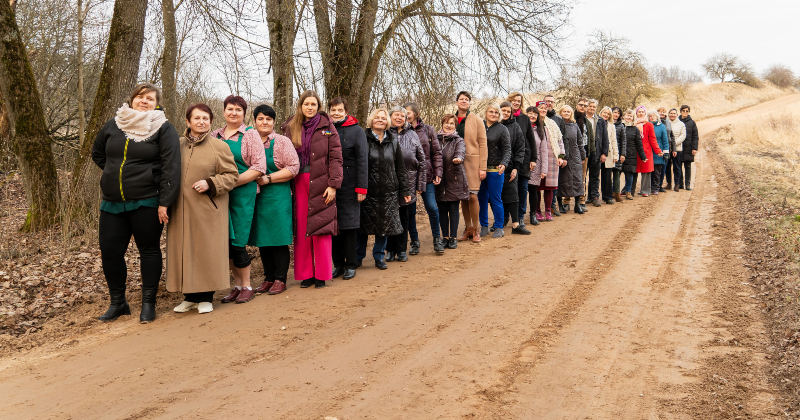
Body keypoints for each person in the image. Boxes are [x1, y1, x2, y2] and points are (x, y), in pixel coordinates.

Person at [92, 83, 180, 323]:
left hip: (147, 201)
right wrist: (113, 174)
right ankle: (118, 303)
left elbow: (171, 166)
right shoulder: (115, 123)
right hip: (112, 202)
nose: (145, 101)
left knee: (148, 250)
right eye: (141, 97)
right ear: (131, 100)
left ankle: (148, 303)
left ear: (156, 103)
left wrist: (165, 201)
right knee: (110, 252)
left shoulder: (163, 128)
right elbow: (98, 153)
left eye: (150, 98)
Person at [167, 104, 238, 314]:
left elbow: (231, 176)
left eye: (205, 118)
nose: (201, 122)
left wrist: (210, 183)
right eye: (197, 118)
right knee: (184, 250)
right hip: (180, 208)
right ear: (187, 122)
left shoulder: (219, 146)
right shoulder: (176, 145)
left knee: (205, 251)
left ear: (210, 122)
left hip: (208, 207)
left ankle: (206, 297)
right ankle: (189, 297)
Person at [280, 90, 344, 288]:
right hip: (298, 180)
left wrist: (333, 185)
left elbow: (336, 157)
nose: (309, 107)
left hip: (322, 182)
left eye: (313, 104)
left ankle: (322, 274)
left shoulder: (327, 126)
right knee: (302, 228)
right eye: (306, 104)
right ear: (300, 106)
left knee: (321, 226)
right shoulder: (290, 127)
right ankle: (306, 274)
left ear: (318, 107)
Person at [211, 96, 266, 303]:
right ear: (224, 111)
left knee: (238, 242)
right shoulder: (215, 135)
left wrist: (230, 183)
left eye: (238, 110)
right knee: (225, 241)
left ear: (244, 113)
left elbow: (259, 168)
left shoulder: (251, 135)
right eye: (230, 109)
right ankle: (236, 285)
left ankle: (247, 286)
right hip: (220, 195)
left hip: (242, 193)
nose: (233, 113)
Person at [249, 104, 299, 296]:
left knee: (278, 238)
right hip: (256, 197)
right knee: (263, 239)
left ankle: (280, 279)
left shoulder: (282, 142)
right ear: (254, 121)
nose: (264, 122)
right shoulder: (249, 140)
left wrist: (269, 178)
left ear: (273, 122)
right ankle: (268, 278)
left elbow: (293, 167)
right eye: (260, 118)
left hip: (277, 195)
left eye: (268, 119)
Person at [357, 108, 412, 269]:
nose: (380, 120)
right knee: (363, 226)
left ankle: (379, 256)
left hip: (389, 191)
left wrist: (405, 190)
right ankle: (358, 256)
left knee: (384, 226)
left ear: (387, 121)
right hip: (368, 190)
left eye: (383, 118)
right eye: (377, 117)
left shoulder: (393, 141)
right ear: (371, 120)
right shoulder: (363, 138)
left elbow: (400, 168)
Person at [329, 98, 368, 281]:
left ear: (346, 111)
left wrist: (362, 187)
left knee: (349, 225)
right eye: (333, 110)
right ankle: (338, 264)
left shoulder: (357, 131)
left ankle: (351, 264)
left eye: (340, 110)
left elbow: (362, 160)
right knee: (333, 225)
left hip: (351, 184)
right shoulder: (326, 130)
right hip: (330, 184)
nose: (336, 113)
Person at [385, 106, 426, 262]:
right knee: (389, 217)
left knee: (404, 217)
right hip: (388, 184)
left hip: (408, 184)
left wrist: (420, 185)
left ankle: (402, 250)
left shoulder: (413, 135)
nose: (399, 118)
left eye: (402, 115)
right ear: (391, 117)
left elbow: (422, 161)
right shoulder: (385, 134)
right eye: (396, 115)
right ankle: (390, 249)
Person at [404, 102, 444, 255]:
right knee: (410, 212)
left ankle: (437, 239)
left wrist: (438, 172)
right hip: (409, 177)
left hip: (427, 176)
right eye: (404, 112)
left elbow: (437, 153)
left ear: (415, 113)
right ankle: (414, 242)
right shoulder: (401, 132)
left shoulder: (428, 130)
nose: (406, 115)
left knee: (432, 208)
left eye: (409, 112)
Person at [454, 91, 488, 242]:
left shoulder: (477, 120)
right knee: (463, 197)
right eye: (461, 99)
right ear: (456, 102)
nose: (464, 101)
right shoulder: (452, 119)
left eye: (466, 99)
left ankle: (476, 229)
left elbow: (483, 144)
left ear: (469, 103)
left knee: (473, 196)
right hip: (456, 164)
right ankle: (467, 229)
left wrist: (483, 167)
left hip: (473, 163)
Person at [435, 114, 468, 249]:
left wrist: (458, 158)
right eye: (446, 123)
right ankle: (445, 237)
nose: (449, 125)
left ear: (455, 126)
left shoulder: (458, 140)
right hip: (439, 179)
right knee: (442, 209)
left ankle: (453, 237)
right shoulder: (435, 140)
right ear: (442, 124)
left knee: (453, 209)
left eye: (452, 123)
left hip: (454, 178)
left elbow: (461, 152)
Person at [478, 103, 511, 238]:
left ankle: (499, 227)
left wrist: (504, 163)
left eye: (496, 113)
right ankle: (484, 226)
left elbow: (507, 149)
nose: (493, 114)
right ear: (486, 112)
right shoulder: (480, 127)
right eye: (491, 111)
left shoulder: (502, 129)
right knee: (481, 199)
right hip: (480, 169)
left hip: (495, 169)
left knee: (495, 198)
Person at [529, 101, 564, 222]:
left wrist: (560, 156)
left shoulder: (552, 123)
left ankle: (548, 210)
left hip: (552, 158)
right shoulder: (533, 123)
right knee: (537, 186)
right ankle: (537, 210)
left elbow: (560, 140)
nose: (543, 110)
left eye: (545, 108)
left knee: (549, 187)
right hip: (538, 159)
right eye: (541, 108)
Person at [499, 101, 530, 235]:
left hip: (511, 166)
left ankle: (516, 224)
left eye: (508, 111)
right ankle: (500, 222)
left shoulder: (515, 126)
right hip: (494, 166)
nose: (505, 113)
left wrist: (516, 167)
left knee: (512, 194)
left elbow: (520, 147)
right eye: (503, 110)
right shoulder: (493, 125)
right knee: (497, 196)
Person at [506, 92, 537, 227]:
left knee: (522, 189)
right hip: (508, 159)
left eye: (519, 101)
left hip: (524, 158)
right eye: (514, 100)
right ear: (509, 101)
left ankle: (520, 217)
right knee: (507, 189)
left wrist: (533, 159)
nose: (516, 102)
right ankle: (505, 217)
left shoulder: (525, 118)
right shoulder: (504, 117)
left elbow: (531, 139)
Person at [559, 104, 586, 214]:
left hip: (575, 156)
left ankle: (577, 205)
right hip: (562, 155)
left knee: (577, 180)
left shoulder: (574, 126)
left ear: (571, 114)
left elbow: (580, 142)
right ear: (560, 113)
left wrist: (583, 155)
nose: (566, 113)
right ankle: (563, 205)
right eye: (564, 111)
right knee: (563, 180)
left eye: (568, 112)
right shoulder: (558, 125)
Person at [583, 99, 609, 207]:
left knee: (595, 176)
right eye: (590, 106)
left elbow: (604, 137)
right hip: (584, 151)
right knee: (582, 176)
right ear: (586, 107)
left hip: (596, 152)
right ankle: (581, 198)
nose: (592, 108)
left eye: (594, 107)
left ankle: (594, 197)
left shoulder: (600, 120)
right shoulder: (581, 119)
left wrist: (604, 153)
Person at [632, 106, 662, 197]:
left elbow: (652, 139)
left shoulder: (649, 125)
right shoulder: (633, 123)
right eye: (639, 112)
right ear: (636, 113)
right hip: (634, 150)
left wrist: (658, 150)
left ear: (645, 113)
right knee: (632, 170)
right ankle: (629, 190)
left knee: (646, 171)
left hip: (646, 150)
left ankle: (645, 190)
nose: (640, 113)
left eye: (642, 112)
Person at [620, 109, 646, 199]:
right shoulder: (619, 126)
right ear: (623, 116)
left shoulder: (635, 129)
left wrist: (643, 156)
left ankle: (628, 192)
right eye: (627, 115)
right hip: (619, 154)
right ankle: (614, 192)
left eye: (631, 116)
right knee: (617, 174)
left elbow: (639, 144)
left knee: (629, 174)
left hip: (630, 154)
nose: (629, 117)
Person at [569, 98, 589, 213]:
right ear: (576, 105)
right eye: (581, 105)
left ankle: (581, 201)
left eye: (585, 105)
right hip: (570, 151)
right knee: (567, 177)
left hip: (583, 151)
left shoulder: (587, 120)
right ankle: (566, 202)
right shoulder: (572, 118)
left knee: (581, 178)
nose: (583, 107)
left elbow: (589, 137)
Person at [649, 110, 670, 196]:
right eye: (651, 116)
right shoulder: (646, 125)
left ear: (657, 117)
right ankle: (649, 187)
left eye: (654, 116)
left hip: (659, 152)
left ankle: (656, 188)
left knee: (657, 172)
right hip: (649, 152)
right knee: (649, 172)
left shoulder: (661, 126)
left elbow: (665, 141)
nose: (652, 117)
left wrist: (666, 153)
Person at [679, 105, 699, 190]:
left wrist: (694, 148)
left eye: (687, 111)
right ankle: (680, 184)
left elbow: (695, 136)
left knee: (687, 166)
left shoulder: (692, 122)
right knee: (678, 166)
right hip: (679, 147)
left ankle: (687, 184)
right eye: (683, 110)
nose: (685, 112)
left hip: (688, 147)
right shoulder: (677, 121)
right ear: (680, 111)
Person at [610, 107, 627, 202]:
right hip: (608, 152)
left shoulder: (621, 126)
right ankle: (608, 193)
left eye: (618, 113)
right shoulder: (606, 123)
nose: (616, 114)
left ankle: (616, 194)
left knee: (617, 173)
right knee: (608, 174)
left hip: (618, 153)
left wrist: (622, 154)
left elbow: (624, 141)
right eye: (614, 112)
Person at [667, 109, 686, 192]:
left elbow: (683, 136)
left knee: (677, 167)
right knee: (667, 167)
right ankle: (669, 183)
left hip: (677, 149)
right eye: (671, 113)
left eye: (674, 113)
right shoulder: (666, 123)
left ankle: (677, 184)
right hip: (667, 149)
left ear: (677, 114)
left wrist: (674, 143)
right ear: (668, 114)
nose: (672, 115)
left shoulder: (681, 124)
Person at [658, 107, 675, 192]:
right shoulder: (655, 122)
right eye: (660, 112)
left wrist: (673, 148)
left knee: (664, 168)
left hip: (666, 147)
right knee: (656, 168)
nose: (662, 113)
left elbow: (671, 136)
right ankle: (654, 185)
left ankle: (660, 185)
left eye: (663, 112)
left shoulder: (668, 123)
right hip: (657, 148)